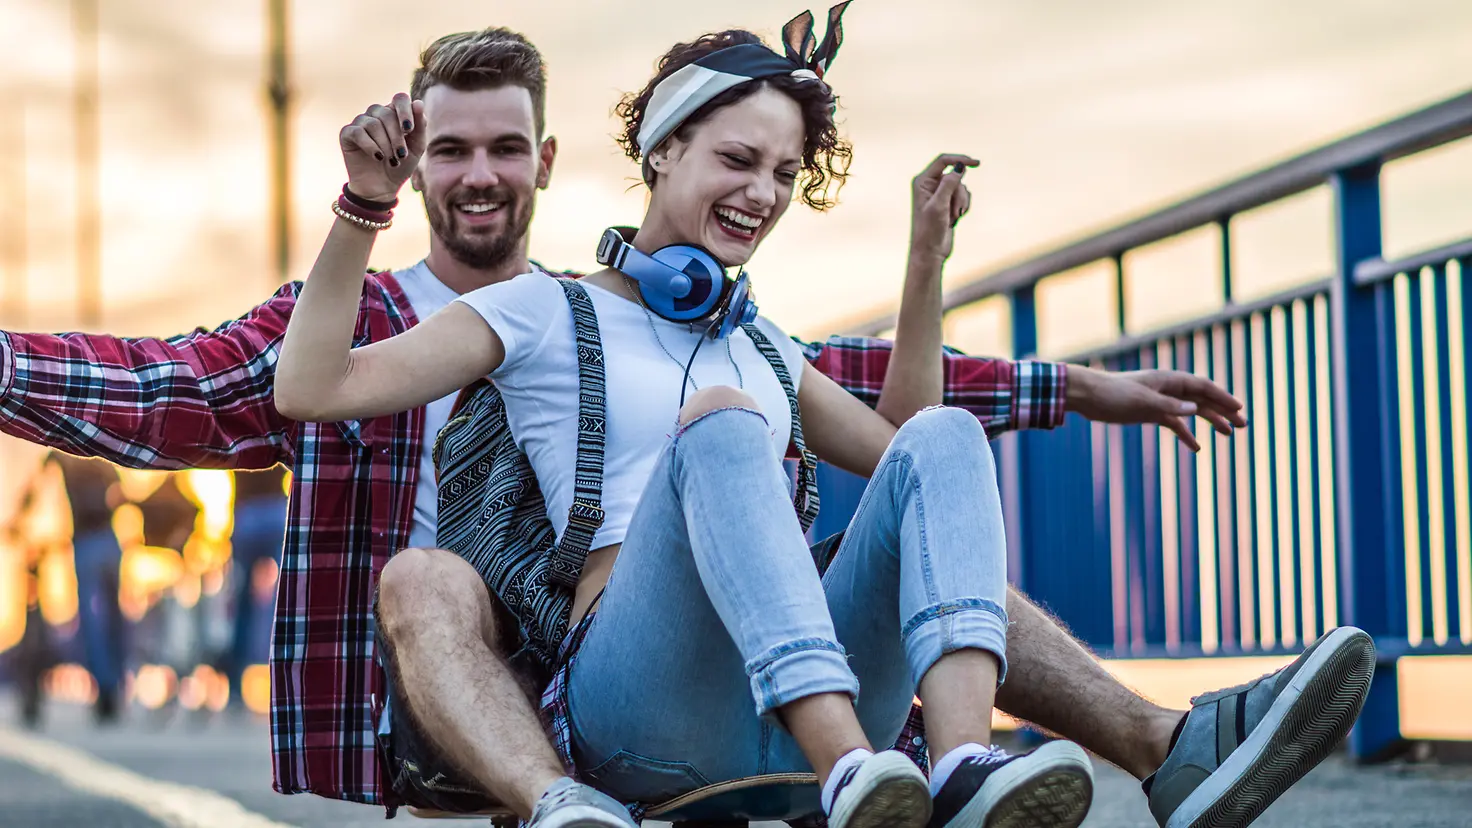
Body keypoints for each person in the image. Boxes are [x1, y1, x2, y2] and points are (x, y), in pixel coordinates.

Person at [0, 19, 1369, 828]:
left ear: (545, 161)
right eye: (734, 161)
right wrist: (357, 214)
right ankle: (829, 781)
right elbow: (244, 387)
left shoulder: (738, 328)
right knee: (698, 446)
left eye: (783, 173)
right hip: (597, 687)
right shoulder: (508, 312)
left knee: (930, 446)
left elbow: (902, 454)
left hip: (778, 661)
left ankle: (975, 770)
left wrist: (967, 299)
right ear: (655, 157)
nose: (760, 191)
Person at [16, 451, 128, 724]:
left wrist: (23, 516)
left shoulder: (61, 452)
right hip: (109, 541)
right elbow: (119, 494)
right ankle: (113, 684)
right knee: (114, 620)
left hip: (86, 542)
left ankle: (105, 686)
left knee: (91, 623)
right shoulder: (101, 450)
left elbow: (37, 486)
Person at [223, 466, 288, 703]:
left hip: (247, 513)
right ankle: (285, 683)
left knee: (242, 606)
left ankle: (235, 688)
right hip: (275, 511)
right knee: (287, 599)